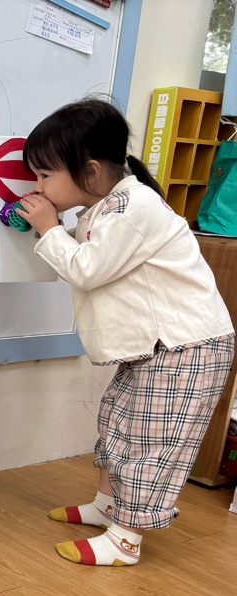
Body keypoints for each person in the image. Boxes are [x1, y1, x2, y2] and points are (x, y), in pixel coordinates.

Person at [17, 98, 234, 567]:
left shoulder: (132, 209)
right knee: (117, 424)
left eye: (45, 175)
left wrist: (49, 228)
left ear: (90, 171)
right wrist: (53, 230)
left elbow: (87, 269)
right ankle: (107, 506)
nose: (38, 186)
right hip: (156, 347)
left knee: (149, 443)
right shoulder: (107, 207)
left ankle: (125, 541)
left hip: (186, 346)